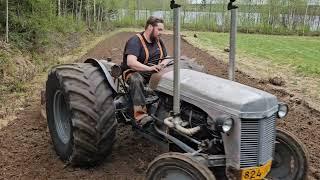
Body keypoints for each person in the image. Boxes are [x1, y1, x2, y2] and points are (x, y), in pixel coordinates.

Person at [122, 16, 171, 127]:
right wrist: (149, 68)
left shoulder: (158, 41)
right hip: (133, 71)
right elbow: (131, 62)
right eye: (159, 29)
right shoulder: (135, 40)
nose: (161, 33)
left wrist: (162, 64)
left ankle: (165, 109)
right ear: (150, 27)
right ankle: (140, 116)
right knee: (136, 80)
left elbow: (167, 57)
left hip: (152, 71)